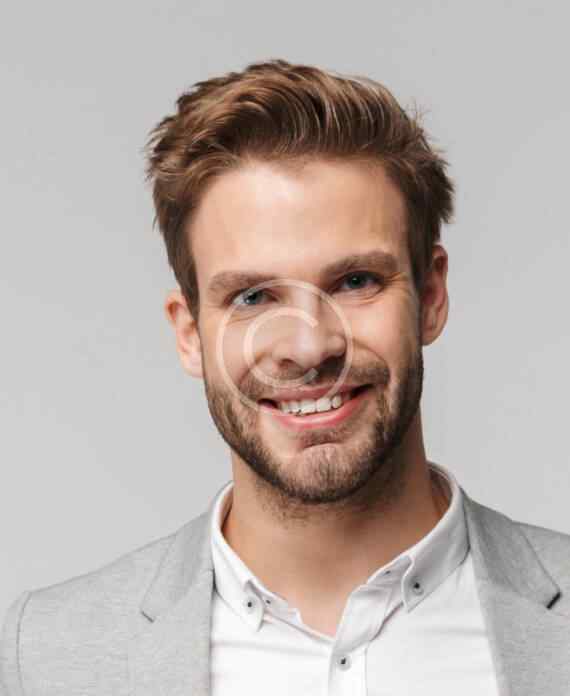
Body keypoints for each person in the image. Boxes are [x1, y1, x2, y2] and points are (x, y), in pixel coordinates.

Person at [2, 58, 569, 696]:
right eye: (252, 297)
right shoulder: (46, 657)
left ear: (431, 297)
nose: (308, 346)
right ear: (189, 334)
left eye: (356, 281)